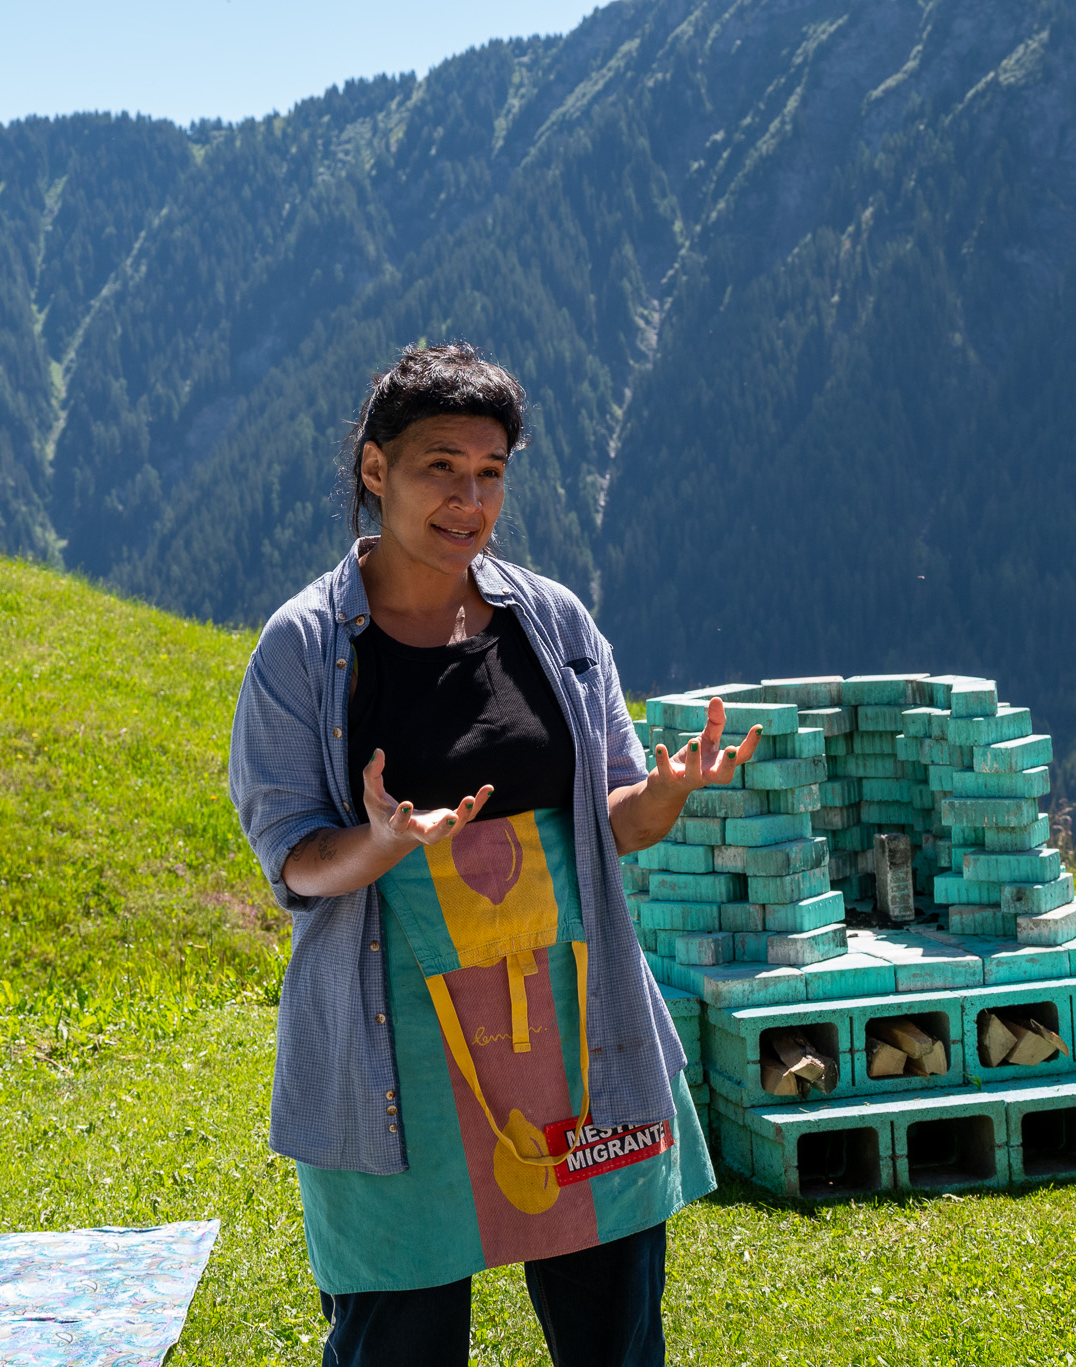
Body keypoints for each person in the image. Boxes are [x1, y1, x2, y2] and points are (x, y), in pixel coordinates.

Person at [227, 343, 761, 1366]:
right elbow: (293, 859)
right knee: (398, 1336)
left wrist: (664, 794)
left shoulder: (552, 622)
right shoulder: (300, 646)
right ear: (375, 470)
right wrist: (379, 842)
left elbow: (614, 818)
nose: (467, 498)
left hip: (576, 1027)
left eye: (490, 472)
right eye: (439, 467)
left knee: (614, 1333)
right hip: (396, 1053)